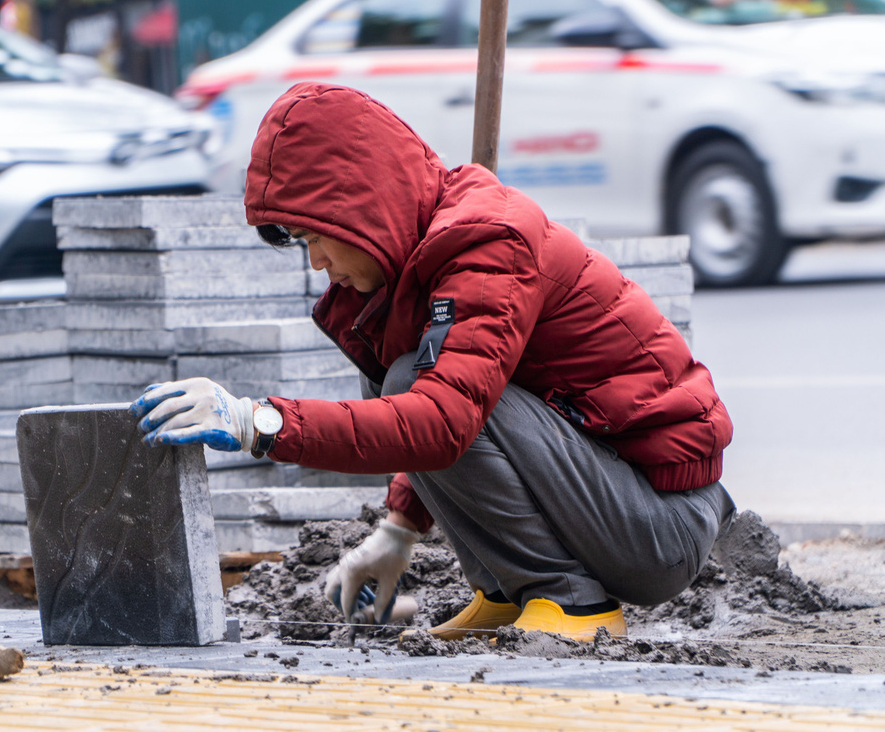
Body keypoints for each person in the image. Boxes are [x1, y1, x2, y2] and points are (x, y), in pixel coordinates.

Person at [130, 82, 736, 642]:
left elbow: (445, 423)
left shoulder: (489, 241)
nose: (315, 262)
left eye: (314, 236)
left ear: (358, 208)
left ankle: (569, 599)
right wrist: (398, 531)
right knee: (401, 375)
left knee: (414, 389)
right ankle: (509, 587)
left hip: (661, 527)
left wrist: (259, 422)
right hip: (610, 497)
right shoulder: (420, 269)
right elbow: (457, 417)